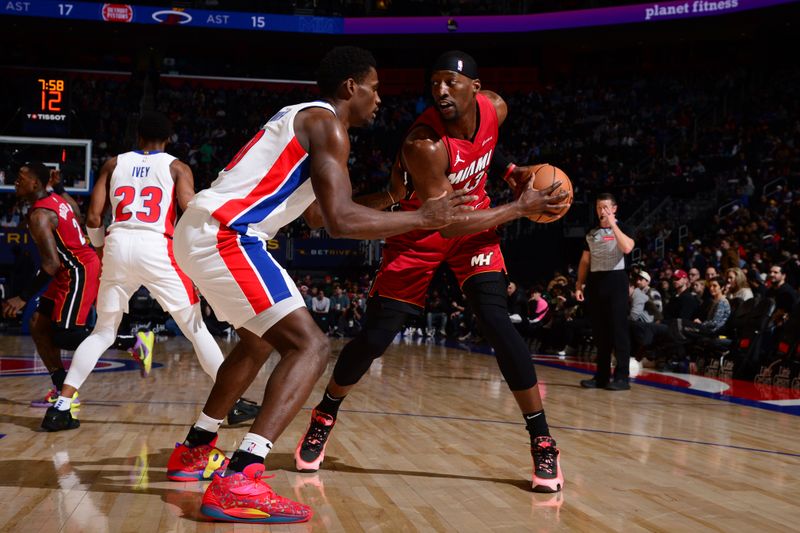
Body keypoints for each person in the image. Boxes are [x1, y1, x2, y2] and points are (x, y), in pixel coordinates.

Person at [168, 46, 474, 524]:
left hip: (204, 231)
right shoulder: (328, 124)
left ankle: (195, 449)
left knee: (255, 343)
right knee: (310, 346)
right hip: (228, 235)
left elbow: (315, 215)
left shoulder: (308, 122)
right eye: (374, 89)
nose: (379, 99)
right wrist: (423, 216)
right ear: (351, 86)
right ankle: (241, 477)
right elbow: (341, 221)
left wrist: (393, 197)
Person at [295, 50, 569, 494]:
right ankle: (325, 413)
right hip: (421, 226)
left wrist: (514, 172)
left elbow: (487, 147)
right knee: (375, 339)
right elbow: (444, 221)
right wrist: (519, 207)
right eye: (435, 83)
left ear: (475, 89)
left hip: (475, 223)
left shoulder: (495, 108)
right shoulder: (422, 144)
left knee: (498, 322)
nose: (440, 90)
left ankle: (542, 439)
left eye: (450, 83)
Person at [38, 112, 257, 432]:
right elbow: (190, 209)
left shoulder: (114, 164)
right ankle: (232, 403)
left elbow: (95, 217)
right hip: (157, 247)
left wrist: (100, 248)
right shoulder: (177, 167)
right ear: (169, 139)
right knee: (196, 329)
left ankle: (62, 405)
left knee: (103, 332)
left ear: (137, 137)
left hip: (118, 243)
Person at [2, 163, 142, 412]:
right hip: (67, 269)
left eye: (21, 178)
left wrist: (22, 297)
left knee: (65, 335)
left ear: (35, 184)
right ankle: (61, 389)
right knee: (38, 324)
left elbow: (50, 265)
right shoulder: (55, 198)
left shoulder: (39, 215)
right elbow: (76, 214)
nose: (15, 181)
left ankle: (131, 342)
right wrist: (59, 187)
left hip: (78, 270)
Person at [575, 193, 635, 390]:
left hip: (616, 280)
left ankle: (622, 378)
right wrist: (579, 284)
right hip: (595, 281)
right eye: (599, 207)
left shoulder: (624, 228)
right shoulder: (591, 233)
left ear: (614, 209)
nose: (602, 211)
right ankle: (601, 377)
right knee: (600, 333)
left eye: (606, 207)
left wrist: (612, 224)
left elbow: (627, 248)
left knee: (619, 331)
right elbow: (585, 261)